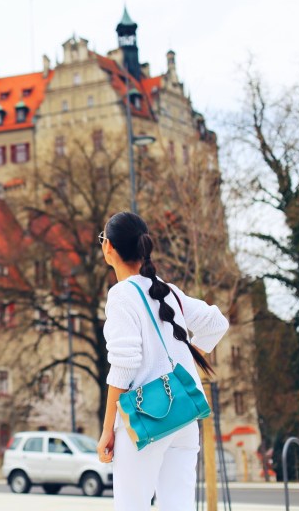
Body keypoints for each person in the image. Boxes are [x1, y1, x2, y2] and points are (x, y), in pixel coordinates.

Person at [96, 212, 229, 511]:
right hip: (184, 416)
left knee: (132, 506)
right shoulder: (167, 291)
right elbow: (216, 323)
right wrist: (187, 362)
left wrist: (107, 429)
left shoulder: (121, 296)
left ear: (110, 248)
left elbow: (124, 367)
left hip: (146, 419)